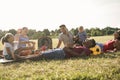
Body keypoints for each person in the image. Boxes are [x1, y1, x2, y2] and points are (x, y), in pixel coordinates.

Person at [17, 39, 95, 60]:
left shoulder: (86, 50)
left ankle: (22, 58)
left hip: (62, 54)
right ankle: (24, 56)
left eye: (88, 40)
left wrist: (68, 50)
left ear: (90, 44)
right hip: (61, 51)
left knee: (42, 56)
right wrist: (70, 47)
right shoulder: (81, 46)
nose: (86, 40)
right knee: (42, 53)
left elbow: (80, 56)